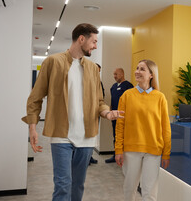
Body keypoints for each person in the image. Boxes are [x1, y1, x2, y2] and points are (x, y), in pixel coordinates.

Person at [21, 23, 123, 201]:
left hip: (87, 137)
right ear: (81, 39)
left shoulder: (92, 69)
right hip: (61, 136)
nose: (95, 46)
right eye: (94, 42)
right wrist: (32, 128)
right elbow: (35, 98)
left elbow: (99, 101)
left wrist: (108, 113)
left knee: (78, 184)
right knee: (62, 184)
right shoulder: (53, 62)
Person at [115, 59, 171, 201]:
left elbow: (166, 128)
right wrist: (118, 150)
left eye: (142, 69)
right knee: (129, 189)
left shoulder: (160, 97)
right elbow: (120, 125)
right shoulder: (127, 95)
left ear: (151, 74)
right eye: (137, 68)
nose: (137, 71)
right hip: (131, 150)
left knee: (149, 193)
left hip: (153, 150)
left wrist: (166, 153)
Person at [105, 68, 133, 163]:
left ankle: (126, 157)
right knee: (115, 135)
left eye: (116, 74)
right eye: (114, 74)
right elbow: (113, 100)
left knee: (124, 136)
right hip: (114, 116)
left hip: (124, 117)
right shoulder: (113, 86)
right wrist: (110, 110)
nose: (114, 76)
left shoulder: (128, 86)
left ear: (122, 74)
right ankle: (116, 154)